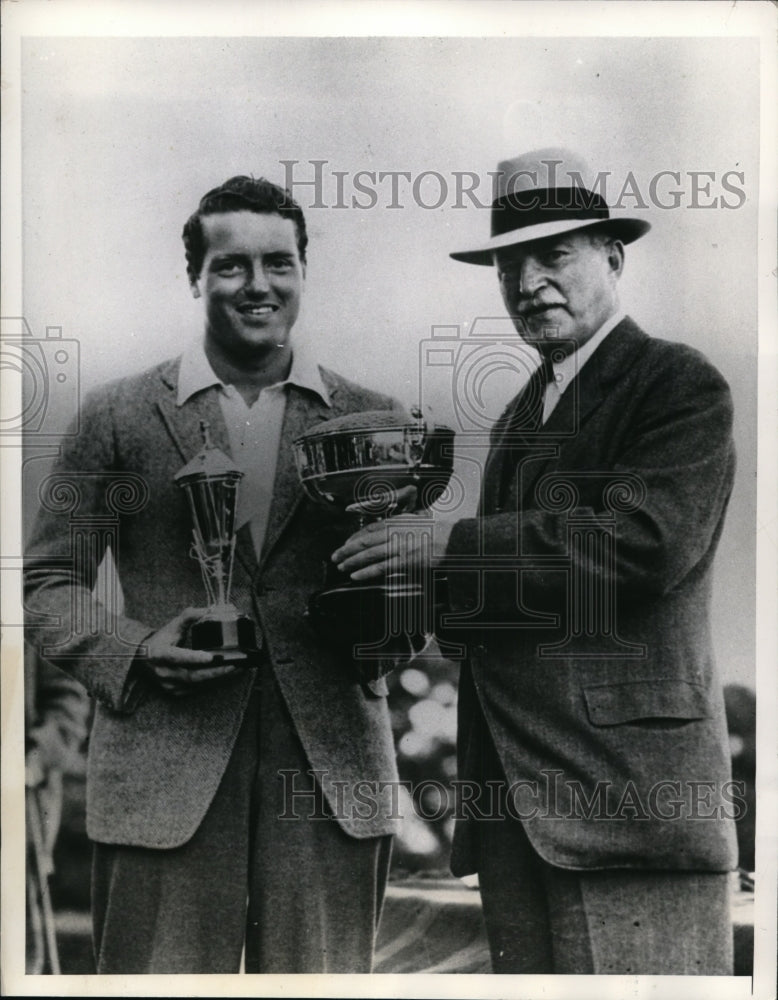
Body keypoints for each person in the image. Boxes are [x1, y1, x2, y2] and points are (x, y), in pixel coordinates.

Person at [334, 148, 739, 974]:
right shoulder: (523, 413)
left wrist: (445, 543)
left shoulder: (677, 383)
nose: (528, 282)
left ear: (613, 257)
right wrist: (395, 595)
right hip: (520, 813)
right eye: (509, 264)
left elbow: (642, 548)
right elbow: (520, 598)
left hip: (628, 809)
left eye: (553, 254)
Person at [24, 175, 402, 974]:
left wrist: (399, 608)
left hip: (330, 783)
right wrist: (133, 648)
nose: (258, 285)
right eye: (231, 266)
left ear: (304, 272)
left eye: (280, 263)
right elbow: (46, 585)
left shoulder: (376, 420)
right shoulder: (115, 415)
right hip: (164, 779)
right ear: (193, 276)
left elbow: (405, 619)